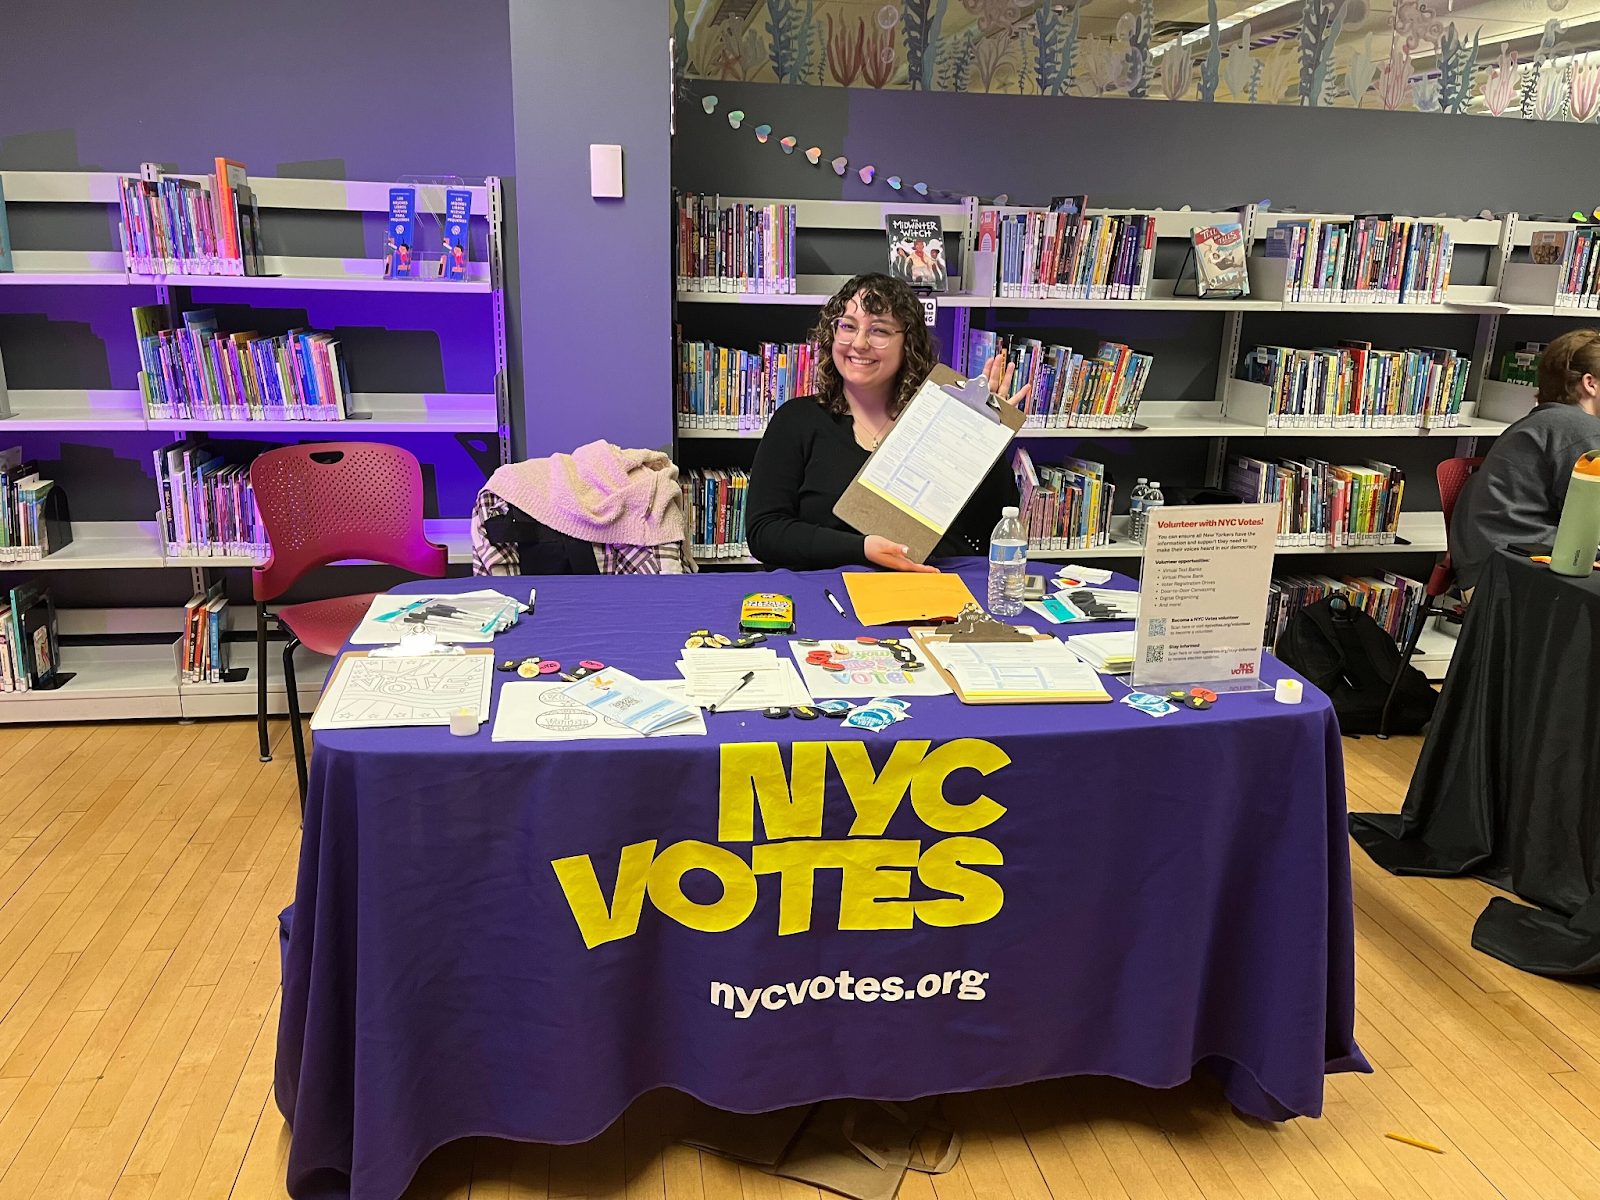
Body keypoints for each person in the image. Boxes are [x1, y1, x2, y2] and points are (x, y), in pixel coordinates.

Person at [746, 272, 1025, 572]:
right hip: (827, 595)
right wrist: (861, 548)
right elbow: (765, 532)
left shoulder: (941, 423)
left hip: (928, 591)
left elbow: (991, 529)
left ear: (909, 342)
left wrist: (985, 437)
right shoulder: (796, 421)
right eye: (848, 326)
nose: (859, 343)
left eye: (878, 331)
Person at [1451, 327, 1600, 594]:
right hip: (1515, 575)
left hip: (1484, 569)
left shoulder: (1539, 423)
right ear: (1590, 383)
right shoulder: (1581, 431)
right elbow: (1591, 520)